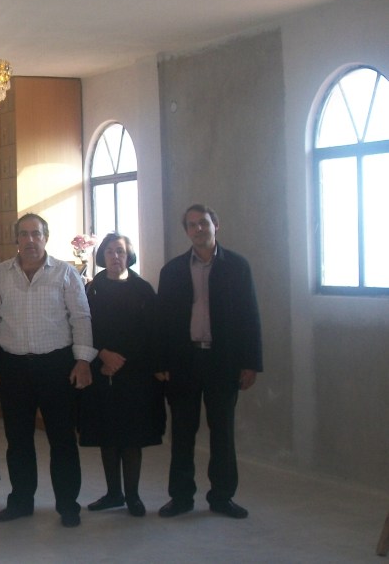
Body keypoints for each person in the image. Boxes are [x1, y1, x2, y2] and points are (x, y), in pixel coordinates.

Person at [0, 213, 96, 528]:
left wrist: (83, 361)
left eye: (36, 234)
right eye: (24, 234)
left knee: (62, 440)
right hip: (13, 367)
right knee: (17, 441)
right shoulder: (0, 274)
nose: (30, 240)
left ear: (46, 237)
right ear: (16, 239)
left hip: (56, 366)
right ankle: (21, 502)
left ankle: (68, 505)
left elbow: (81, 317)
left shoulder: (65, 274)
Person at [156, 205, 263, 519]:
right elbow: (163, 321)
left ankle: (222, 497)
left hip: (223, 361)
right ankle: (181, 497)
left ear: (216, 224)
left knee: (223, 433)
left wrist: (251, 363)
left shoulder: (237, 267)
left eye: (203, 223)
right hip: (184, 361)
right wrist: (160, 362)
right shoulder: (172, 270)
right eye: (192, 225)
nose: (198, 229)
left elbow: (250, 317)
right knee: (182, 433)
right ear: (187, 231)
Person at [78, 232, 165, 518]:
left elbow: (152, 332)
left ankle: (133, 495)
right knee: (107, 435)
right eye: (110, 252)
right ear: (102, 256)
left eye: (120, 251)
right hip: (101, 370)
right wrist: (103, 354)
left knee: (131, 437)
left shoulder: (143, 289)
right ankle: (113, 493)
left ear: (128, 256)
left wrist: (122, 361)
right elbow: (85, 326)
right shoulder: (92, 289)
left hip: (136, 374)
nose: (115, 256)